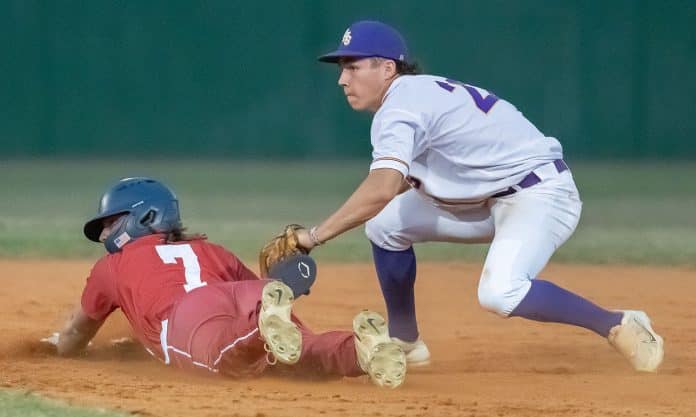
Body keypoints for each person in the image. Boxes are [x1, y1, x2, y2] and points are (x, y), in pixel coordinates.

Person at [290, 20, 664, 371]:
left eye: (353, 67)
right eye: (341, 68)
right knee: (385, 226)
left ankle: (616, 322)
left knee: (500, 293)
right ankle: (405, 340)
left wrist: (312, 236)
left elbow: (382, 188)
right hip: (486, 200)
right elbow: (410, 178)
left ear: (387, 68)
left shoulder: (401, 106)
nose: (342, 79)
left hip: (538, 196)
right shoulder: (415, 96)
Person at [43, 177, 406, 388]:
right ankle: (361, 350)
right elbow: (258, 288)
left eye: (110, 222)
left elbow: (75, 334)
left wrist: (60, 350)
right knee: (301, 353)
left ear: (145, 216)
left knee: (222, 358)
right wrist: (269, 299)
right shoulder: (211, 249)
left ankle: (260, 324)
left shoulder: (113, 264)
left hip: (187, 314)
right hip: (244, 295)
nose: (105, 232)